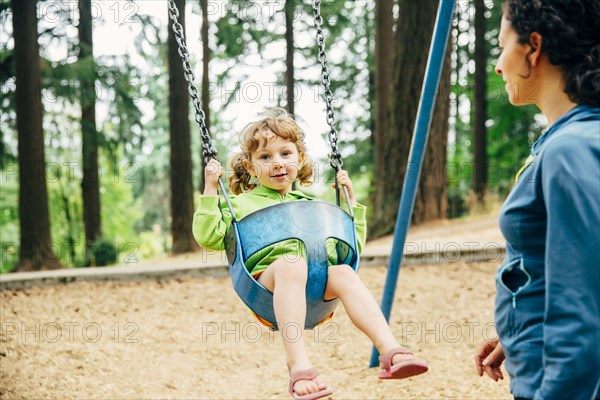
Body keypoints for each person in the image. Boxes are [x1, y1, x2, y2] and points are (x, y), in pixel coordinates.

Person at [193, 110, 428, 399]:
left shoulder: (309, 204)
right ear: (251, 168)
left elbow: (349, 247)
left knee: (343, 271)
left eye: (285, 153)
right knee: (291, 264)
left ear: (300, 159)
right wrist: (210, 189)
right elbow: (209, 237)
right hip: (266, 286)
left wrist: (353, 205)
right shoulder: (241, 204)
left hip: (315, 288)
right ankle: (299, 366)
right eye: (265, 157)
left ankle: (390, 351)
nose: (277, 162)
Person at [474, 1, 600, 399]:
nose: (498, 65)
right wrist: (517, 327)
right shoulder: (571, 140)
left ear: (533, 47)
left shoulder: (570, 151)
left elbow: (584, 309)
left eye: (501, 46)